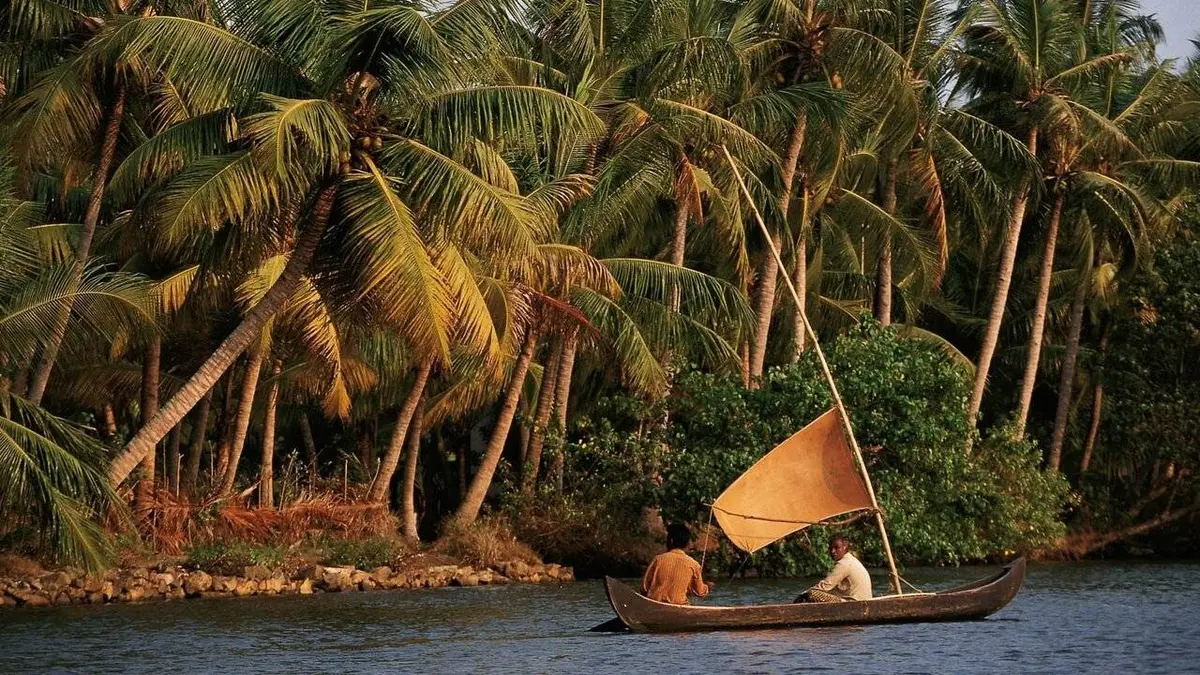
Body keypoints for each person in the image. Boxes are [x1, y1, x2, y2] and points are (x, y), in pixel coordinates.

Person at [641, 523, 711, 605]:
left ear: (671, 541)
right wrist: (708, 587)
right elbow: (700, 592)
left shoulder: (658, 559)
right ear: (687, 543)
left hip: (654, 605)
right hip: (680, 606)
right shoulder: (694, 564)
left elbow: (644, 588)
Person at [795, 535, 872, 603]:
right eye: (831, 548)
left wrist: (803, 595)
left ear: (844, 547)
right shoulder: (851, 560)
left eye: (836, 548)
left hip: (852, 603)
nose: (833, 551)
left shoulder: (844, 564)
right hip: (863, 601)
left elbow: (825, 586)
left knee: (812, 593)